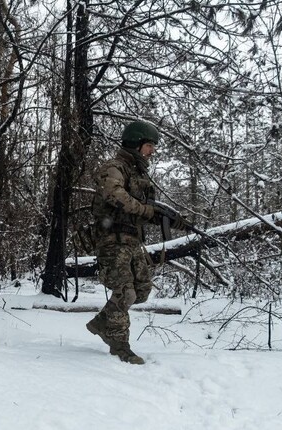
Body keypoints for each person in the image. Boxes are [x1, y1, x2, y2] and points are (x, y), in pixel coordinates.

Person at [86, 120, 185, 364]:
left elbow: (145, 210)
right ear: (135, 143)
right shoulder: (113, 167)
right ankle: (119, 345)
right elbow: (115, 195)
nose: (152, 151)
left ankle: (102, 322)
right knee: (125, 292)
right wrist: (146, 211)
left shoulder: (140, 175)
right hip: (112, 240)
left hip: (132, 241)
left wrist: (170, 220)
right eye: (149, 146)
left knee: (142, 290)